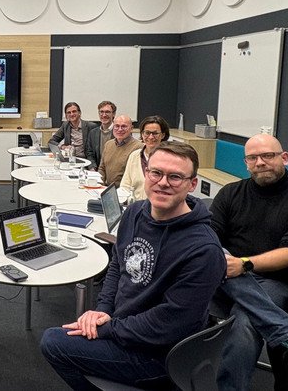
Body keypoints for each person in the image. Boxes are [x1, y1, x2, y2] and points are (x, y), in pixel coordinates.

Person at [41, 142, 226, 389]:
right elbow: (119, 263)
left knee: (53, 342)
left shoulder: (204, 250)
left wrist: (107, 328)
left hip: (159, 356)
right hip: (126, 328)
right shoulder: (136, 212)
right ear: (146, 173)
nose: (163, 182)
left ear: (192, 184)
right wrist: (104, 309)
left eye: (175, 177)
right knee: (69, 333)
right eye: (156, 173)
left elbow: (169, 323)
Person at [210, 134, 288, 391]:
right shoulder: (230, 193)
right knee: (202, 246)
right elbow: (208, 236)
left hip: (275, 281)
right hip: (225, 275)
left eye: (268, 156)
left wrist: (243, 264)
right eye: (253, 158)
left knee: (245, 322)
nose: (260, 162)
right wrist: (223, 259)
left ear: (284, 159)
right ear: (246, 163)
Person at [120, 115, 170, 200]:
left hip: (158, 208)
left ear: (163, 135)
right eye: (147, 133)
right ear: (142, 134)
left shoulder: (169, 159)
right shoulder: (134, 156)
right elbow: (125, 186)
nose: (150, 137)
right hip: (136, 207)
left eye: (155, 133)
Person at [98, 115, 142, 187]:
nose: (120, 129)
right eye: (117, 126)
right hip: (107, 189)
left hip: (125, 191)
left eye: (124, 126)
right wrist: (99, 186)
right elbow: (102, 168)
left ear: (131, 128)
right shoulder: (108, 144)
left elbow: (136, 176)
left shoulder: (138, 147)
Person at [86, 100, 116, 170]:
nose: (104, 115)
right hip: (96, 170)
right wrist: (92, 168)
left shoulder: (119, 132)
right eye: (101, 112)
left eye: (107, 112)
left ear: (114, 114)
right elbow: (89, 154)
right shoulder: (93, 133)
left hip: (113, 172)